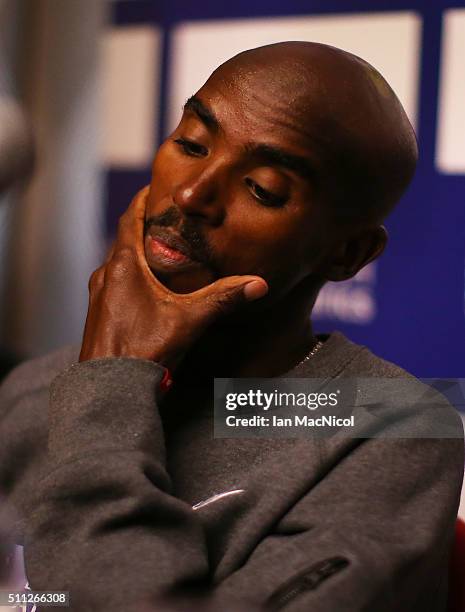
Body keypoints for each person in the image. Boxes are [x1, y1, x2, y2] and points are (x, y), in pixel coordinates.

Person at [0, 41, 463, 611]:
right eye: (191, 144)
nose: (192, 194)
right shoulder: (34, 388)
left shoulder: (392, 427)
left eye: (262, 188)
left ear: (347, 253)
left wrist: (109, 387)